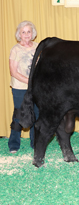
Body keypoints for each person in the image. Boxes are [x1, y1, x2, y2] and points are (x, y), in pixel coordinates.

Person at [8, 21, 39, 153]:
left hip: (36, 87)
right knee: (19, 115)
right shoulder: (15, 49)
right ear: (19, 34)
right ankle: (13, 145)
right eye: (23, 32)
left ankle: (35, 143)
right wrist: (30, 81)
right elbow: (13, 72)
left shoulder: (38, 46)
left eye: (29, 31)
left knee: (36, 114)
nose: (26, 34)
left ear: (32, 33)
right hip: (20, 88)